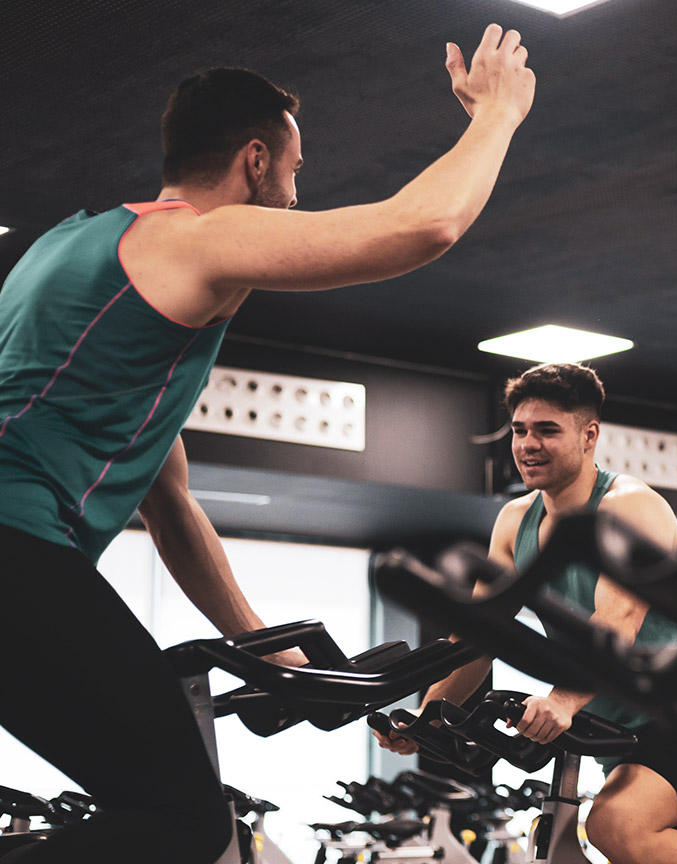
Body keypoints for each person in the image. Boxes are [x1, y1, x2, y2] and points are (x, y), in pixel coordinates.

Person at [0, 26, 535, 863]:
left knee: (155, 805)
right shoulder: (193, 238)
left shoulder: (70, 245)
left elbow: (168, 502)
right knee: (179, 817)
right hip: (17, 549)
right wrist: (497, 115)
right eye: (292, 172)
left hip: (26, 558)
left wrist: (268, 649)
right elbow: (421, 226)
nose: (293, 194)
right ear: (255, 161)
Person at [375, 363, 677, 864]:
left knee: (613, 826)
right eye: (520, 430)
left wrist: (562, 700)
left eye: (548, 430)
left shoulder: (630, 505)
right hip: (612, 724)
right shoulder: (515, 520)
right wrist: (427, 716)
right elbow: (479, 635)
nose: (529, 444)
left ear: (589, 434)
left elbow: (618, 619)